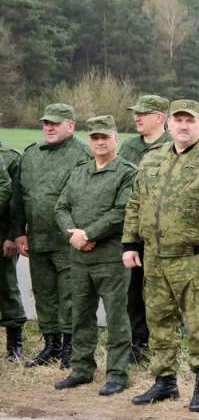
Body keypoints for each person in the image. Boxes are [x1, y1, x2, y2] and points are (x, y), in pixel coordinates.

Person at [122, 99, 199, 412]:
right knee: (159, 321)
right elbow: (136, 202)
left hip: (194, 258)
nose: (183, 126)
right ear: (169, 124)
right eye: (178, 120)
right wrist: (130, 243)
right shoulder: (152, 158)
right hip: (155, 257)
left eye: (190, 121)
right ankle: (165, 381)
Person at [53, 116, 136, 395]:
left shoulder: (126, 172)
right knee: (81, 316)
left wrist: (87, 234)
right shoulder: (80, 171)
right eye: (95, 138)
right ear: (90, 141)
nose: (100, 143)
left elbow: (121, 212)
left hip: (110, 259)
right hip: (79, 259)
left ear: (116, 139)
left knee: (116, 318)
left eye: (105, 137)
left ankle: (117, 374)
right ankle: (82, 369)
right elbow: (61, 206)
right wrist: (72, 235)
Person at [14, 103, 91, 368]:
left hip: (67, 241)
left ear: (71, 125)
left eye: (55, 123)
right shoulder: (31, 154)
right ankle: (51, 345)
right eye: (46, 123)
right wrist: (18, 232)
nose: (49, 127)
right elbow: (20, 197)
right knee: (44, 293)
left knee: (70, 294)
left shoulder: (83, 154)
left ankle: (70, 347)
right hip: (37, 238)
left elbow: (88, 198)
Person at [119, 94, 171, 363]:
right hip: (132, 229)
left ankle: (165, 341)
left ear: (159, 118)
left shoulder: (174, 146)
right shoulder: (127, 148)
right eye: (135, 113)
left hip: (165, 234)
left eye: (143, 113)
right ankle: (138, 342)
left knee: (162, 290)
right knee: (132, 289)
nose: (137, 117)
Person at [0, 139, 21, 361]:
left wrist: (12, 236)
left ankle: (14, 345)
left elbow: (16, 202)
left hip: (2, 234)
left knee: (7, 288)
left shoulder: (11, 157)